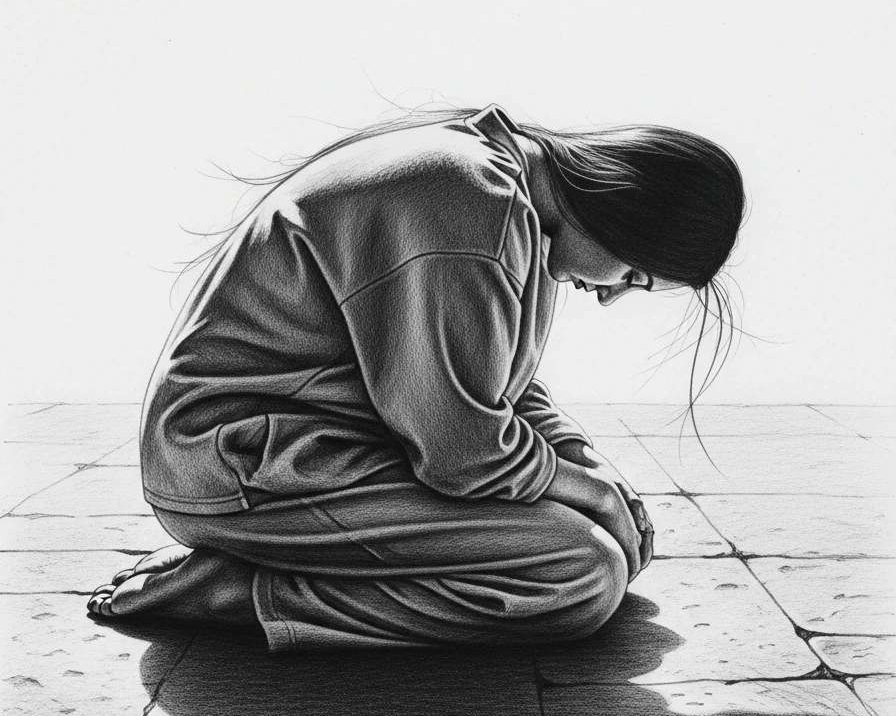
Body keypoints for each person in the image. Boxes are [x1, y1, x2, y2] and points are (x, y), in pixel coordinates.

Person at [88, 103, 745, 652]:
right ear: (624, 210)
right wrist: (590, 494)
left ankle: (275, 563)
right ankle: (241, 592)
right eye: (633, 275)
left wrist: (589, 468)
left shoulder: (513, 197)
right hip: (238, 464)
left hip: (315, 451)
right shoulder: (474, 204)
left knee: (608, 547)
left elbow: (498, 388)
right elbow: (462, 452)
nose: (610, 296)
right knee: (581, 574)